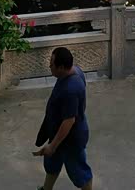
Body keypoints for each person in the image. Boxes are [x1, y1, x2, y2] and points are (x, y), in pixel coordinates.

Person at [34, 47, 93, 190]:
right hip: (57, 133)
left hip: (70, 139)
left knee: (79, 172)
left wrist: (53, 145)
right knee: (52, 163)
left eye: (52, 64)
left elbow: (69, 121)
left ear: (61, 67)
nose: (49, 66)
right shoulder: (75, 70)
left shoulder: (71, 89)